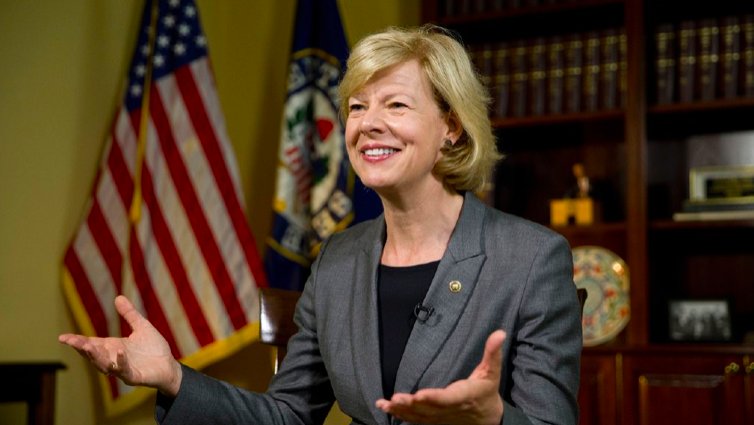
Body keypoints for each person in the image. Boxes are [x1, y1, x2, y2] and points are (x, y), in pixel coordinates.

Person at [60, 24, 582, 425]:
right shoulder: (337, 259)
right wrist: (173, 377)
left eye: (396, 104)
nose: (368, 123)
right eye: (357, 106)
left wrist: (493, 420)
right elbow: (286, 415)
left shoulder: (532, 259)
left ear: (451, 126)